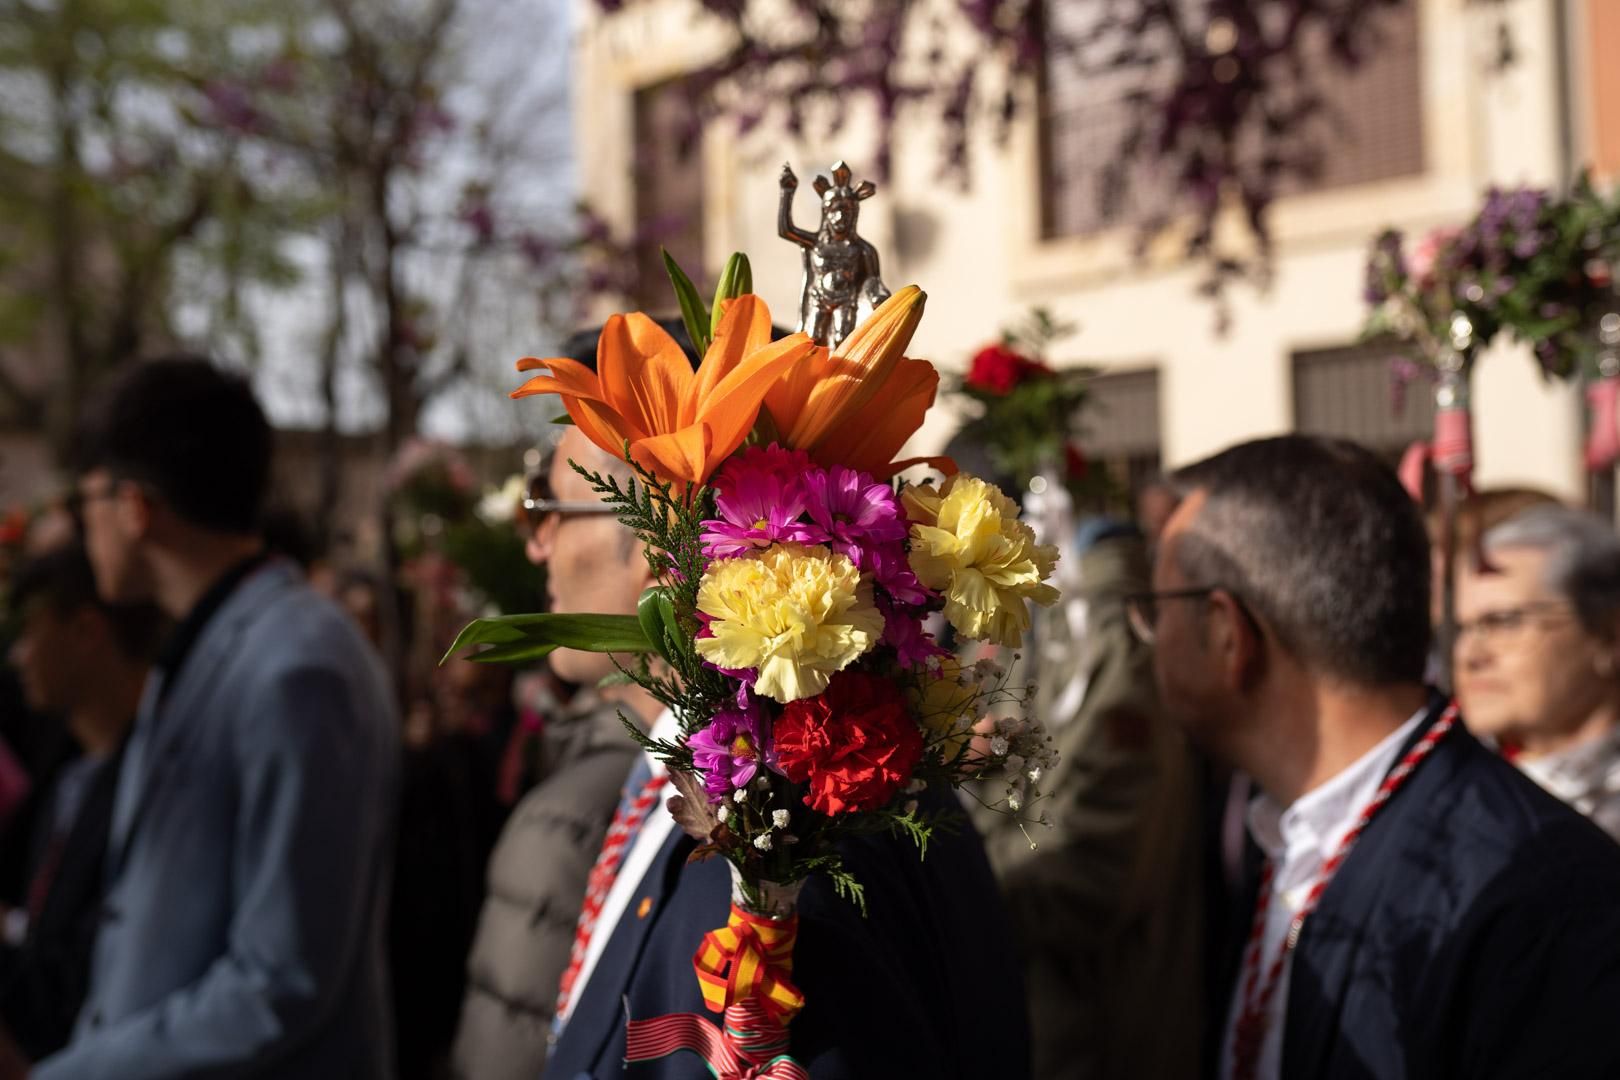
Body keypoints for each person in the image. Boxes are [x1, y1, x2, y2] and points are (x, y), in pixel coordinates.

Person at [540, 424, 1030, 1080]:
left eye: (550, 509)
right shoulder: (739, 795)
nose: (537, 544)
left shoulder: (788, 848)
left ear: (659, 549)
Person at [1133, 434, 1620, 1080]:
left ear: (1228, 633)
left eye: (1157, 609)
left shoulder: (1538, 898)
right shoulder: (1287, 834)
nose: (1147, 638)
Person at [9, 357, 400, 1079]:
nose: (75, 523)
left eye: (84, 498)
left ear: (135, 507)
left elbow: (280, 982)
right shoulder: (217, 642)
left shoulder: (296, 667)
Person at [974, 518, 1203, 1080]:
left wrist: (966, 885)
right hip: (1059, 1009)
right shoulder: (1058, 627)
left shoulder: (1112, 643)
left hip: (1103, 1027)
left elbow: (1085, 871)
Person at [1, 543, 162, 1060]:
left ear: (86, 631)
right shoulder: (70, 779)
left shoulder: (158, 782)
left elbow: (81, 978)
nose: (18, 655)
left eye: (30, 631)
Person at [1454, 505, 1620, 840]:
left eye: (1504, 622)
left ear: (1608, 636)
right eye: (1463, 628)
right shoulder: (1440, 796)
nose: (1470, 654)